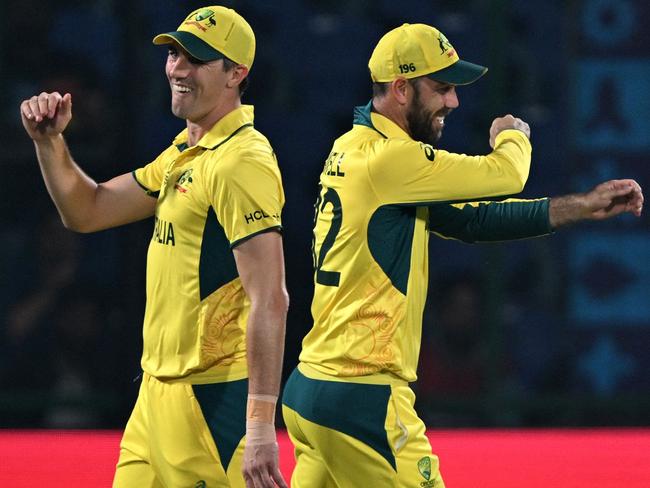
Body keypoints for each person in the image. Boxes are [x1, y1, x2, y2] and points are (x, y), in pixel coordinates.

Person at [281, 23, 643, 487]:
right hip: (363, 397)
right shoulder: (391, 160)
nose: (453, 102)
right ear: (400, 88)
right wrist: (513, 134)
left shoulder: (352, 149)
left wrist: (582, 206)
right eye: (442, 87)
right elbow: (506, 175)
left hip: (313, 388)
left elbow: (471, 220)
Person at [20, 6, 288, 488]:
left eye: (197, 60)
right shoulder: (185, 152)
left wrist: (261, 425)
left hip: (210, 406)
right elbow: (88, 210)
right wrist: (50, 143)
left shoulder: (241, 162)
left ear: (237, 73)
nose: (177, 69)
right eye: (174, 54)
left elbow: (270, 298)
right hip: (154, 398)